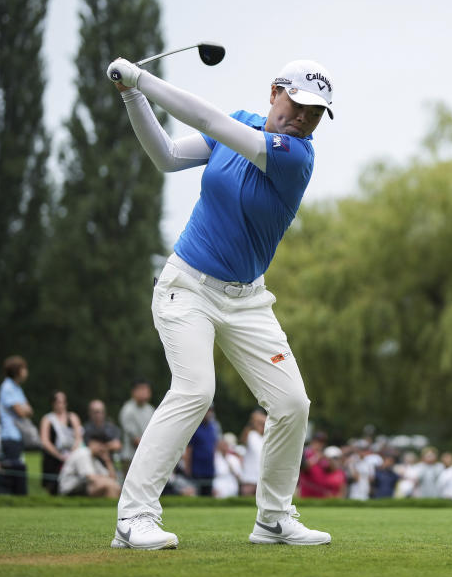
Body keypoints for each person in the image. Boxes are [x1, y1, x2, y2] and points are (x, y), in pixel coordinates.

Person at [107, 55, 334, 549]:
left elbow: (210, 121)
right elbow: (166, 155)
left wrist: (141, 77)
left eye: (315, 113)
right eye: (297, 104)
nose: (303, 118)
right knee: (194, 391)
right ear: (274, 92)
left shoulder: (295, 156)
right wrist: (132, 96)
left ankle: (273, 518)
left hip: (249, 301)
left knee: (292, 402)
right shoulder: (243, 125)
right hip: (186, 286)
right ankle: (134, 517)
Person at [0, 355, 32, 495]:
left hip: (17, 435)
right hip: (9, 435)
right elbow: (22, 412)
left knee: (17, 469)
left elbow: (29, 410)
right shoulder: (7, 387)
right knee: (13, 471)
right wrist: (24, 409)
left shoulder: (17, 388)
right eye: (24, 368)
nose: (26, 371)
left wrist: (24, 409)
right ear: (17, 370)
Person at [39, 390, 82, 495]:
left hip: (72, 456)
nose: (60, 405)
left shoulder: (72, 417)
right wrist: (59, 456)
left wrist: (72, 454)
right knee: (52, 486)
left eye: (62, 402)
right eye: (57, 402)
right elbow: (45, 441)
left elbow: (78, 438)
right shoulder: (47, 419)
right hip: (54, 458)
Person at [58, 431, 121, 499]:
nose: (102, 448)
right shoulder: (83, 453)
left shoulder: (94, 459)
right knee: (108, 485)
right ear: (91, 443)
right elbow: (91, 478)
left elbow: (112, 478)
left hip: (83, 486)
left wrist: (107, 460)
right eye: (100, 445)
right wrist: (111, 483)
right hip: (69, 489)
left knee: (112, 485)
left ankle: (110, 507)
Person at [118, 379, 154, 473]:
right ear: (134, 391)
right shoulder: (128, 410)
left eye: (147, 389)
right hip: (131, 459)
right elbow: (135, 440)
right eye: (142, 389)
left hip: (148, 456)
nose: (145, 392)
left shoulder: (150, 409)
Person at [184, 409, 218, 496]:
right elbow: (189, 449)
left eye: (211, 411)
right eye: (207, 411)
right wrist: (187, 467)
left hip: (209, 468)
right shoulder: (195, 427)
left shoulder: (212, 427)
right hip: (197, 468)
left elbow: (213, 447)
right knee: (197, 493)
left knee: (208, 494)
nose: (209, 413)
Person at [239, 408, 266, 497]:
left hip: (262, 479)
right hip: (249, 478)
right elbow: (242, 440)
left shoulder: (265, 438)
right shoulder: (250, 434)